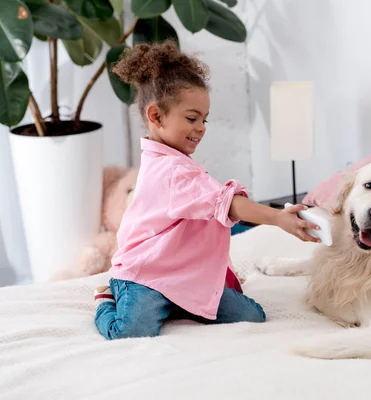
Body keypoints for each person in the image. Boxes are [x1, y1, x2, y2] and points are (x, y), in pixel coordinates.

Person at [94, 40, 320, 340]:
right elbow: (227, 204)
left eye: (204, 119)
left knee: (251, 316)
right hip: (147, 276)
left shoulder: (172, 161)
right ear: (156, 116)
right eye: (191, 118)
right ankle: (106, 298)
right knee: (130, 332)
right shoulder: (171, 171)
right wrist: (279, 218)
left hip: (185, 277)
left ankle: (181, 302)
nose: (201, 127)